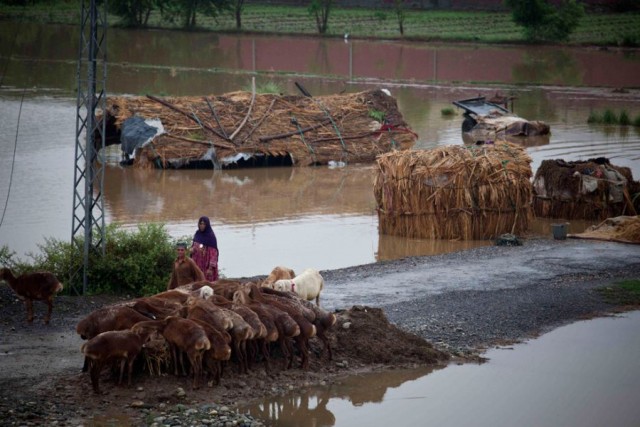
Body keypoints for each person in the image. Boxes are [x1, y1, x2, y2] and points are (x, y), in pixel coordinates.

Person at [191, 216, 219, 282]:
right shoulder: (197, 234)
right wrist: (192, 249)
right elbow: (194, 246)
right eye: (201, 223)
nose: (202, 225)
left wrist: (210, 268)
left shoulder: (211, 236)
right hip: (197, 264)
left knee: (208, 284)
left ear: (207, 225)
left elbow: (214, 254)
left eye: (204, 224)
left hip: (207, 266)